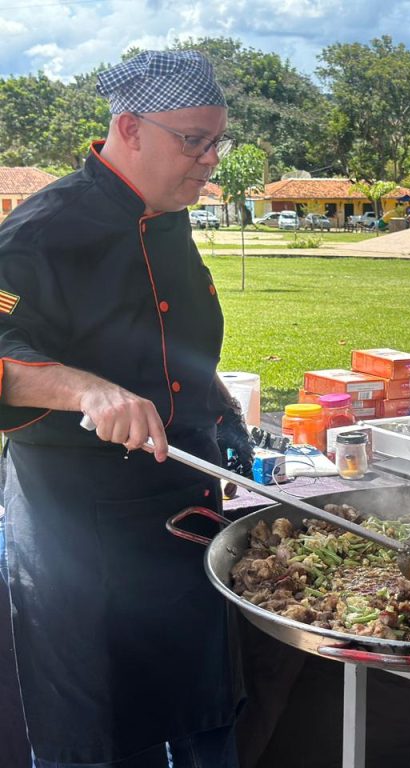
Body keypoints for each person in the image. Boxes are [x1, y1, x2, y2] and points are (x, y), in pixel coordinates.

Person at [0, 50, 250, 767]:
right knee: (103, 726)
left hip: (180, 510)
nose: (210, 161)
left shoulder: (170, 217)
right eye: (193, 141)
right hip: (80, 527)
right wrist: (86, 389)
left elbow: (165, 342)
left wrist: (220, 405)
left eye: (216, 142)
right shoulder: (43, 231)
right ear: (130, 128)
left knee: (203, 710)